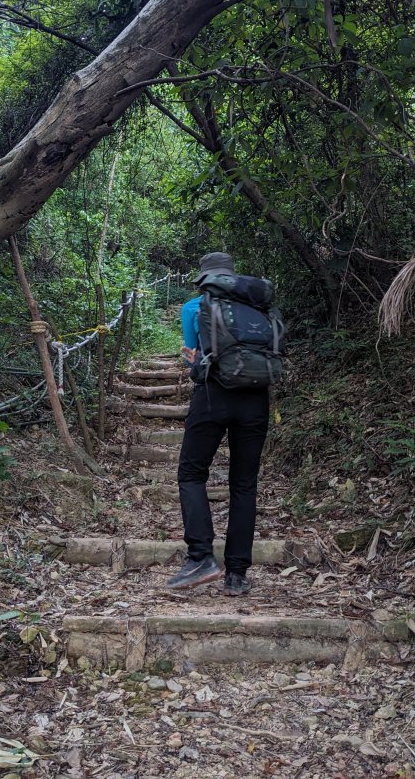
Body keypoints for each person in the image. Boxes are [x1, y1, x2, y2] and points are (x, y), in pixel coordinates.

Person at [167, 252, 272, 596]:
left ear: (205, 277)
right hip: (256, 398)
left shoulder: (193, 307)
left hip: (212, 394)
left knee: (191, 473)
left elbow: (192, 355)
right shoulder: (256, 305)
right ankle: (237, 575)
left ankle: (201, 557)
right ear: (231, 275)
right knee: (244, 484)